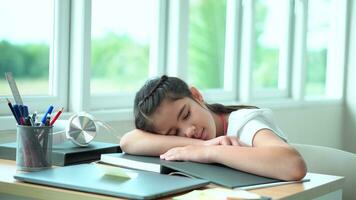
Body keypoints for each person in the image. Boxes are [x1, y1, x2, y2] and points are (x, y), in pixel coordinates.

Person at [120, 75, 307, 181]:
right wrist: (206, 145)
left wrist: (211, 152)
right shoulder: (202, 140)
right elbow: (129, 141)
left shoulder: (244, 122)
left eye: (186, 114)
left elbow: (293, 166)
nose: (188, 131)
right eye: (173, 133)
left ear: (196, 95)